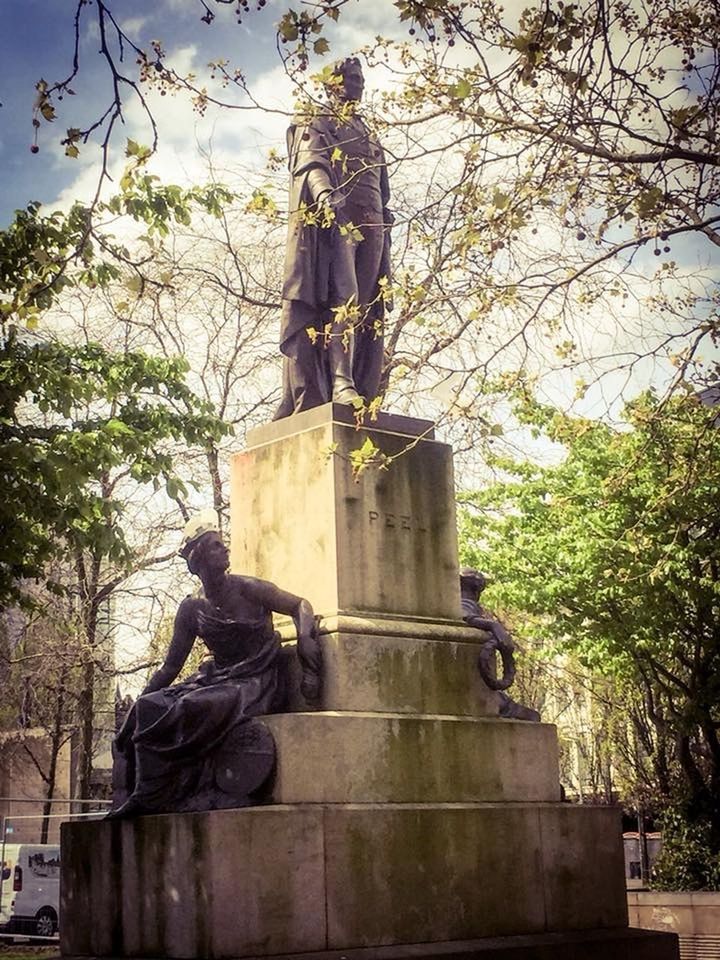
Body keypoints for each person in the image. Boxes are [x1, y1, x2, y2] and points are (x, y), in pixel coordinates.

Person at [111, 511, 322, 816]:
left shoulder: (248, 587)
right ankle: (148, 794)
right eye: (214, 546)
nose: (225, 550)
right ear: (197, 559)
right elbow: (170, 668)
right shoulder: (191, 608)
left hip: (256, 682)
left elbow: (300, 605)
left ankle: (161, 793)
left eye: (222, 544)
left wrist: (305, 637)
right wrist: (138, 703)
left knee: (192, 706)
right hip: (220, 678)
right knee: (150, 708)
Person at [274, 57, 393, 419]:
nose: (358, 85)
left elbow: (381, 185)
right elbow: (310, 163)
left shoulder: (369, 132)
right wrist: (326, 196)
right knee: (346, 298)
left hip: (373, 222)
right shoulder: (316, 119)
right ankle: (341, 382)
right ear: (333, 84)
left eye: (361, 79)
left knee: (368, 305)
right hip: (338, 220)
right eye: (352, 79)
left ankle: (360, 382)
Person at [459, 567, 540, 722]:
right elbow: (464, 615)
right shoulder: (464, 603)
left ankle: (504, 704)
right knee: (530, 716)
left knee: (530, 715)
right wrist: (493, 626)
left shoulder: (468, 604)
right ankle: (504, 705)